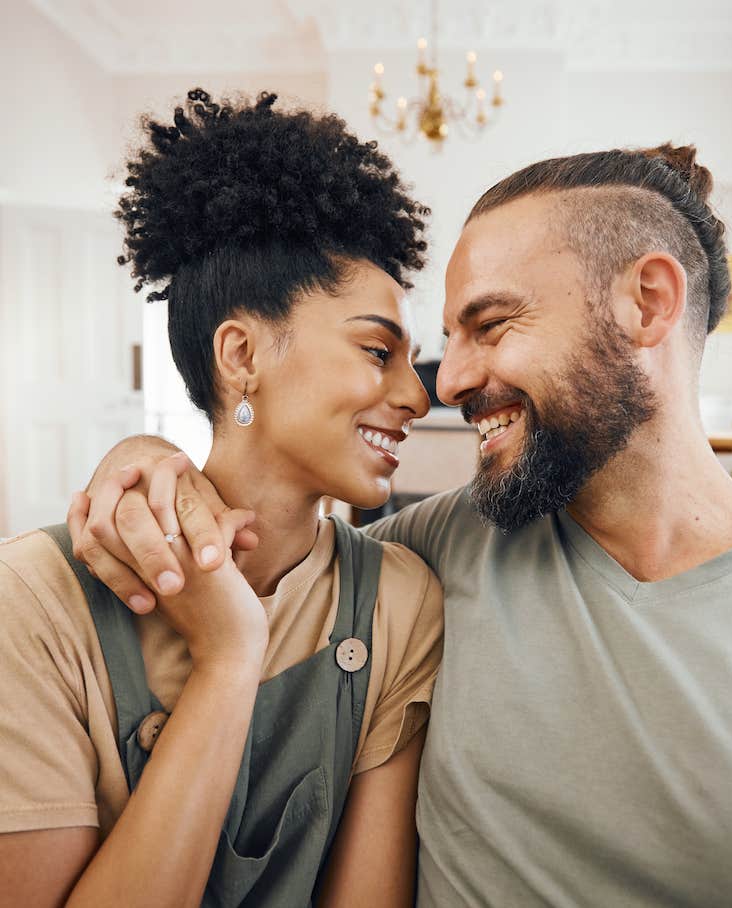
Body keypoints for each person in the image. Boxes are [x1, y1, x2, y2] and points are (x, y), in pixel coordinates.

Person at [67, 144, 732, 906]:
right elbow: (275, 551)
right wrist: (151, 464)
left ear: (647, 302)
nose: (453, 381)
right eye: (447, 341)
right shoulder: (436, 554)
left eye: (492, 325)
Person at [0, 89, 444, 907]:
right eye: (377, 351)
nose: (416, 398)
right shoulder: (32, 599)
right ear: (240, 353)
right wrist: (230, 655)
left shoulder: (399, 603)